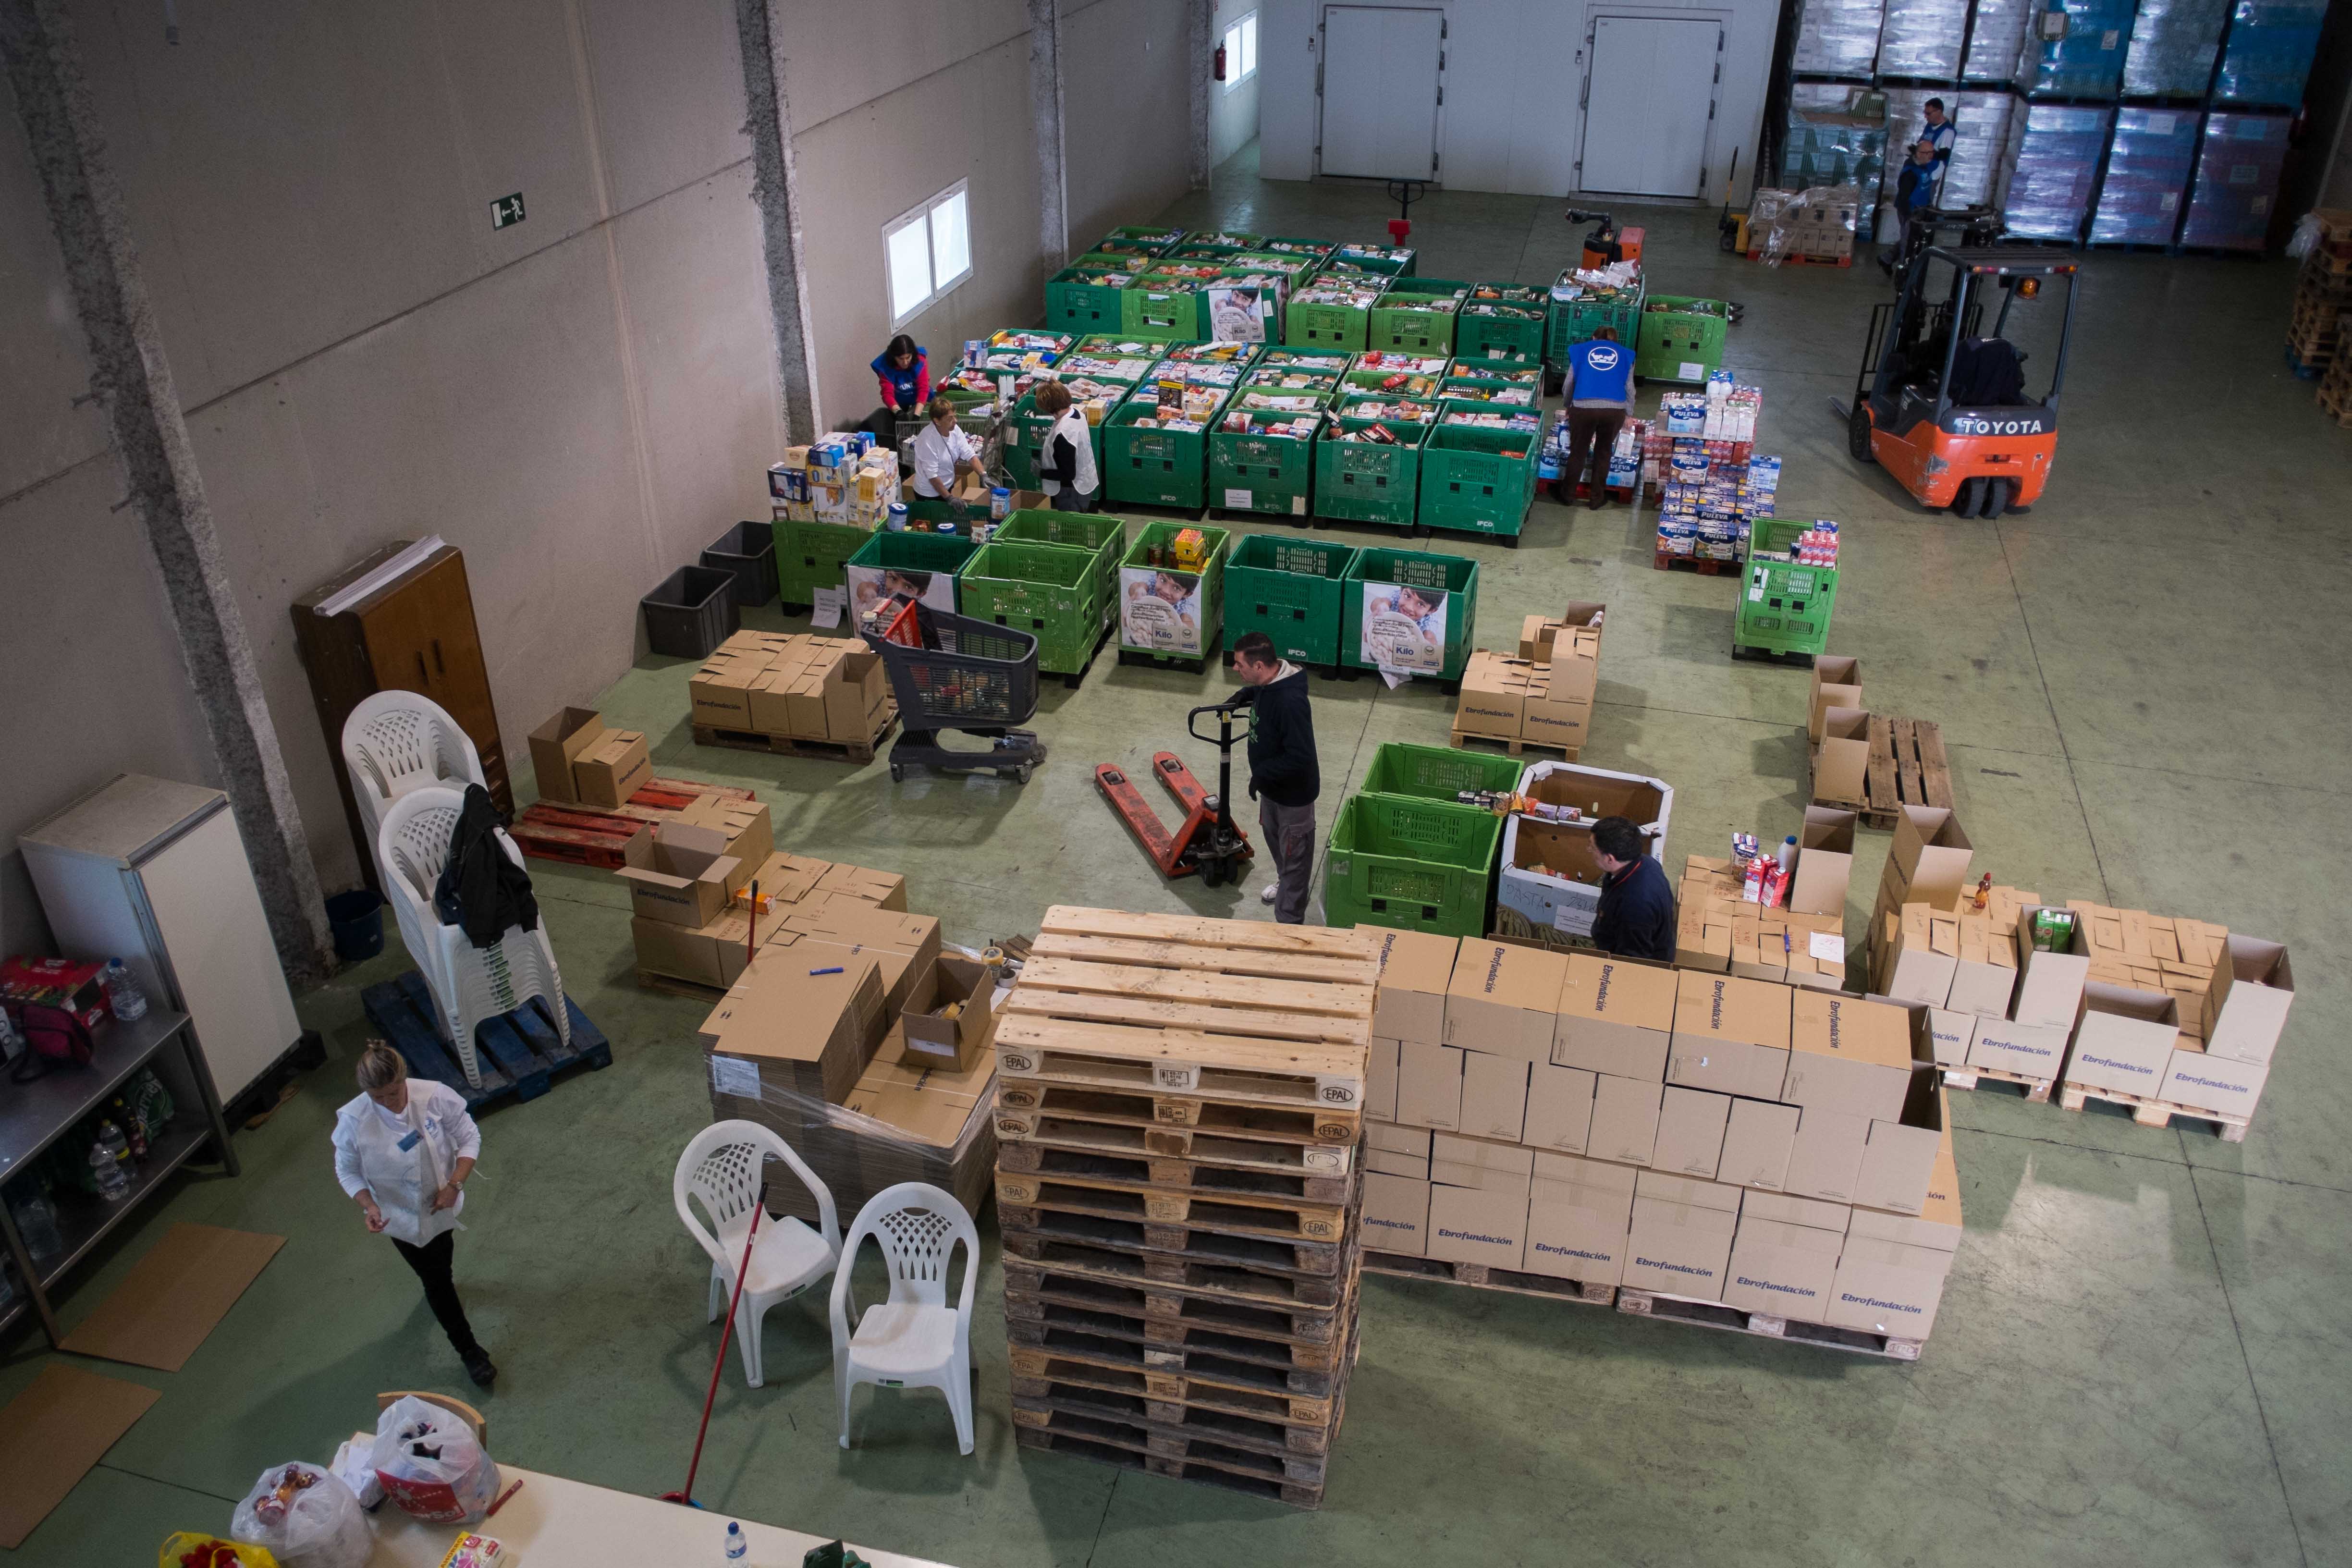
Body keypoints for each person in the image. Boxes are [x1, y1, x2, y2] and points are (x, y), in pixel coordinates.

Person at [332, 1043, 495, 1387]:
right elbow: (347, 1171)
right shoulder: (353, 1122)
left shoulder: (435, 1097)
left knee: (441, 1267)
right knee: (435, 1280)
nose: (389, 1104)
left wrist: (455, 1185)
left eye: (394, 1093)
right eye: (378, 1098)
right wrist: (370, 1205)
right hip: (400, 1219)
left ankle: (440, 1288)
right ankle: (470, 1352)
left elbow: (469, 1137)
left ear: (404, 1078)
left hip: (443, 1205)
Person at [1232, 631, 1319, 924]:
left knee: (1295, 859)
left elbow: (1300, 756)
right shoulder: (1270, 682)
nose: (1236, 669)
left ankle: (1289, 926)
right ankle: (1286, 883)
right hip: (1272, 790)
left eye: (1240, 665)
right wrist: (1244, 696)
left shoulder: (1291, 702)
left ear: (1259, 666)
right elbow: (1264, 692)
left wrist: (1262, 774)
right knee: (1278, 845)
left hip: (1293, 798)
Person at [1561, 327, 1633, 511]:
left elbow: (1570, 383)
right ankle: (1597, 498)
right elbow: (1630, 388)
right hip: (1614, 409)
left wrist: (1568, 404)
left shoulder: (1581, 350)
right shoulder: (1625, 355)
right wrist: (1629, 413)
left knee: (1578, 452)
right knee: (1603, 452)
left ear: (1593, 337)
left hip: (1584, 407)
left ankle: (1568, 495)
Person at [1588, 815, 1674, 963]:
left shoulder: (1635, 906)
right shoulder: (1646, 862)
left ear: (1610, 859)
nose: (1588, 849)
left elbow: (1633, 960)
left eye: (1592, 847)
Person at [1033, 380, 1101, 512]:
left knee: (1070, 527)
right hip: (1085, 479)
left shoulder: (1063, 434)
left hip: (1071, 491)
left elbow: (1068, 474)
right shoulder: (1077, 414)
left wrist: (1042, 472)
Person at [907, 393, 980, 504]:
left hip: (947, 486)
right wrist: (949, 498)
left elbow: (968, 452)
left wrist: (983, 474)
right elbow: (932, 476)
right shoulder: (927, 441)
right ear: (937, 421)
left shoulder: (954, 429)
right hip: (929, 494)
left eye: (955, 416)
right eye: (950, 418)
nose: (955, 421)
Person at [1883, 140, 1941, 274]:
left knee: (1911, 238)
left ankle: (1886, 259)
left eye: (1932, 153)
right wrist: (1909, 217)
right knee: (1907, 242)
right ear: (1918, 154)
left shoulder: (1925, 165)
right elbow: (1904, 198)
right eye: (1928, 153)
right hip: (1910, 211)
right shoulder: (1910, 173)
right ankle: (1903, 272)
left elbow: (1939, 160)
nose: (1931, 156)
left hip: (1921, 210)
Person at [863, 335, 929, 450]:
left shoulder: (920, 361)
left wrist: (916, 416)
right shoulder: (886, 367)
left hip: (919, 401)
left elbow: (924, 389)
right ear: (894, 357)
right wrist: (898, 412)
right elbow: (887, 394)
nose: (905, 362)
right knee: (903, 436)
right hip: (899, 401)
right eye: (901, 359)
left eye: (908, 358)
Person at [1918, 98, 1956, 200]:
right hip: (1921, 169)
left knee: (1923, 201)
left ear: (1939, 112)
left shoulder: (1947, 132)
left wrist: (1924, 154)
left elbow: (1944, 155)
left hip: (1932, 174)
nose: (1926, 116)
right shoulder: (1930, 125)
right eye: (1925, 113)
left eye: (1928, 114)